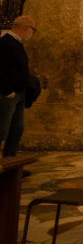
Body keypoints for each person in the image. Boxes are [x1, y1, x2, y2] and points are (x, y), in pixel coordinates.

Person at [0, 15, 36, 157]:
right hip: (8, 94)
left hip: (19, 93)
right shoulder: (5, 43)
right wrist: (8, 91)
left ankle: (11, 166)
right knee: (2, 130)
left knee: (16, 129)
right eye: (32, 30)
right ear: (26, 27)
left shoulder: (16, 43)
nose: (31, 34)